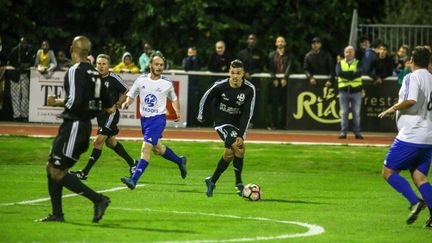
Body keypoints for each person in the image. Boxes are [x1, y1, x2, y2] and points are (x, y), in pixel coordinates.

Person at [37, 36, 113, 223]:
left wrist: (58, 103)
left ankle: (98, 199)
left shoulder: (74, 70)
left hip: (75, 125)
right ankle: (57, 214)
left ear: (72, 49)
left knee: (57, 171)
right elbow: (109, 105)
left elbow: (75, 100)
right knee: (52, 166)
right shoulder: (95, 74)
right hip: (82, 125)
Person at [378, 46, 432, 228]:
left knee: (388, 172)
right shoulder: (431, 78)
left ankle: (415, 202)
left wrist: (391, 108)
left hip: (412, 136)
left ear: (412, 61)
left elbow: (411, 100)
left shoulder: (413, 77)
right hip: (428, 137)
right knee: (420, 178)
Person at [120, 52, 187, 190]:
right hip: (145, 121)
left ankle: (133, 180)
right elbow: (131, 95)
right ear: (150, 65)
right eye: (156, 64)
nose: (159, 67)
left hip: (158, 120)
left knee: (146, 148)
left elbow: (174, 98)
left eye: (161, 65)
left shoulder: (167, 83)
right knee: (159, 149)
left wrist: (178, 111)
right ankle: (180, 161)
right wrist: (127, 103)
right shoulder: (141, 80)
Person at [71, 54, 137, 180]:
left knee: (98, 141)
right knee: (111, 143)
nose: (101, 66)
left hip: (111, 115)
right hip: (100, 116)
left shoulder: (114, 78)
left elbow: (127, 91)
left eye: (104, 64)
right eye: (99, 64)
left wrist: (116, 105)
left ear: (109, 66)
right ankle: (133, 163)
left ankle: (84, 172)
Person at [197, 59, 256, 197]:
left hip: (236, 124)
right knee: (238, 147)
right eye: (232, 73)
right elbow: (206, 97)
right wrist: (201, 115)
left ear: (243, 74)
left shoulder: (249, 89)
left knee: (232, 152)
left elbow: (248, 113)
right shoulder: (220, 86)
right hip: (222, 122)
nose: (235, 76)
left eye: (238, 73)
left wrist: (242, 134)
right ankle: (239, 184)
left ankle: (212, 180)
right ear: (229, 73)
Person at [237, 34, 266, 127]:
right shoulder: (242, 53)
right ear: (247, 40)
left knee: (255, 103)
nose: (252, 40)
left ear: (256, 41)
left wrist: (252, 73)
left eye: (253, 39)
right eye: (250, 39)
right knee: (241, 101)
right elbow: (238, 66)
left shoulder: (260, 53)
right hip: (243, 83)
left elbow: (261, 67)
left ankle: (253, 122)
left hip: (255, 83)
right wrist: (244, 73)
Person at [335, 46, 363, 139]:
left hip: (356, 91)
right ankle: (343, 132)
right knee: (344, 112)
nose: (349, 53)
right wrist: (352, 74)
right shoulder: (340, 63)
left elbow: (359, 73)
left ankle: (357, 132)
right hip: (343, 91)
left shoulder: (358, 63)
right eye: (347, 52)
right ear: (344, 53)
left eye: (350, 52)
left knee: (356, 113)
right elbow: (339, 73)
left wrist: (346, 74)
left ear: (354, 53)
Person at [267, 36, 292, 129]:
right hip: (274, 83)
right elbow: (269, 68)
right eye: (278, 41)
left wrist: (285, 78)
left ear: (285, 43)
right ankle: (273, 124)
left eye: (282, 41)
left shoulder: (289, 55)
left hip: (285, 83)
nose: (280, 43)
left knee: (284, 104)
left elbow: (289, 67)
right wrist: (274, 79)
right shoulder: (271, 55)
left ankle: (283, 124)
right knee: (274, 104)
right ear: (276, 43)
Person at [7, 37, 34, 121]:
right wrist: (19, 65)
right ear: (20, 43)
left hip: (24, 75)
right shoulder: (15, 50)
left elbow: (32, 61)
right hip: (15, 75)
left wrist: (28, 65)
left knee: (25, 95)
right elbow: (10, 61)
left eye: (25, 43)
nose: (23, 44)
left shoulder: (30, 50)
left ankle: (24, 115)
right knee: (15, 96)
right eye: (22, 43)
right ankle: (17, 115)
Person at [182, 46, 202, 126]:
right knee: (186, 104)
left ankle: (194, 123)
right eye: (190, 53)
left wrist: (194, 59)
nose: (191, 54)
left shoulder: (198, 59)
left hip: (195, 86)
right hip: (185, 85)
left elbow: (198, 68)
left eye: (193, 53)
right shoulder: (185, 59)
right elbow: (186, 68)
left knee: (194, 105)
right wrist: (190, 59)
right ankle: (187, 122)